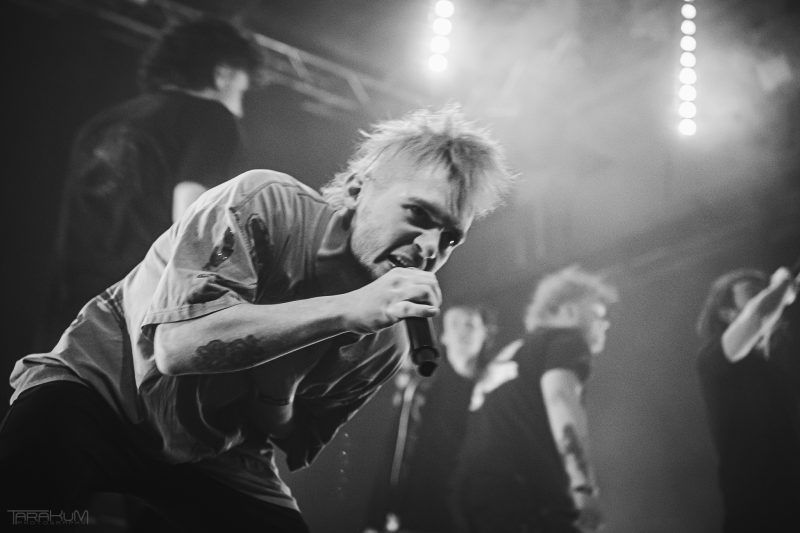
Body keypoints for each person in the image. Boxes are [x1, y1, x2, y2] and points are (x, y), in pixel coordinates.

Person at [0, 104, 515, 532]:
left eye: (451, 238)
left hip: (213, 452)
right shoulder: (265, 202)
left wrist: (278, 393)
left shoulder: (387, 342)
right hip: (100, 391)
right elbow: (176, 348)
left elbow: (294, 439)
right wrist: (344, 311)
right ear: (360, 189)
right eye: (419, 214)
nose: (430, 247)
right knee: (24, 513)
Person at [38, 14, 264, 349]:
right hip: (137, 312)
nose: (240, 108)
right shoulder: (212, 117)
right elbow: (191, 212)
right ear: (223, 74)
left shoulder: (103, 122)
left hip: (70, 310)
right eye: (242, 92)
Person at [451, 265, 617, 533]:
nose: (605, 324)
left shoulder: (514, 353)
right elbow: (560, 398)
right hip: (524, 494)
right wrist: (583, 487)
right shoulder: (566, 340)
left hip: (473, 500)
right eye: (597, 314)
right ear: (570, 311)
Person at [363, 304, 499, 533]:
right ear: (443, 336)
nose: (462, 332)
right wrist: (376, 520)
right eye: (454, 325)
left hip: (473, 515)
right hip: (420, 512)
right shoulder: (424, 388)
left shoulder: (495, 391)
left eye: (470, 324)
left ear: (485, 332)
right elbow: (395, 452)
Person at [695, 265, 800, 533]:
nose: (765, 294)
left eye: (765, 290)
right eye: (753, 292)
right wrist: (782, 284)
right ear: (726, 312)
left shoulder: (776, 369)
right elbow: (759, 314)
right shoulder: (714, 357)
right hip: (755, 513)